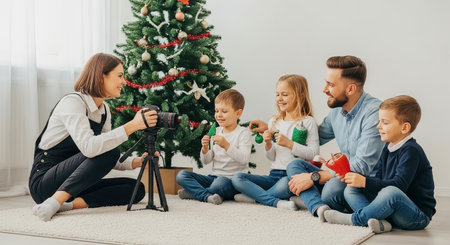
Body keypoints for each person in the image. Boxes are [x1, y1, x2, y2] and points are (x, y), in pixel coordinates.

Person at [29, 53, 158, 221]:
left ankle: (67, 204)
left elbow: (103, 152)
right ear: (100, 77)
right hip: (45, 183)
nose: (124, 82)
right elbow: (91, 148)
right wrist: (132, 126)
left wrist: (136, 162)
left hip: (74, 183)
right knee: (109, 151)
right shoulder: (73, 102)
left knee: (136, 188)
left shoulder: (104, 111)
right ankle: (54, 201)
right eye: (119, 76)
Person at [251, 56, 385, 219]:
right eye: (326, 82)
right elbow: (313, 137)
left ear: (350, 89)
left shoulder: (374, 113)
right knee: (295, 165)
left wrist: (314, 177)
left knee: (330, 191)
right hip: (341, 175)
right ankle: (310, 201)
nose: (324, 89)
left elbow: (362, 166)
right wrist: (272, 130)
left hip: (364, 181)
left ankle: (265, 196)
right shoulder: (337, 111)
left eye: (331, 84)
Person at [324, 95, 436, 233]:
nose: (378, 126)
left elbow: (399, 186)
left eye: (385, 122)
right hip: (393, 211)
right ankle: (379, 222)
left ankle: (356, 219)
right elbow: (380, 179)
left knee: (391, 192)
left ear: (405, 128)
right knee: (351, 189)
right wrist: (355, 179)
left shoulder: (411, 151)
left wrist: (365, 182)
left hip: (416, 216)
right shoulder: (387, 148)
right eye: (379, 121)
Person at [232, 74, 319, 210]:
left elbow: (314, 153)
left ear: (300, 95)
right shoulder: (274, 121)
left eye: (284, 94)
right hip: (273, 175)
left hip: (292, 177)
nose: (279, 99)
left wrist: (289, 143)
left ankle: (255, 197)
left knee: (285, 184)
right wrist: (268, 144)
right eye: (277, 94)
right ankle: (274, 200)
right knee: (237, 178)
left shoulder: (308, 122)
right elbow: (271, 157)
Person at [176, 89, 252, 205]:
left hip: (232, 181)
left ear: (238, 113)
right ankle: (207, 195)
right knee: (182, 175)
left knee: (219, 184)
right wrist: (205, 149)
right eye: (216, 111)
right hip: (213, 177)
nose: (218, 115)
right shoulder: (216, 131)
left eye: (224, 111)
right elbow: (206, 161)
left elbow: (244, 158)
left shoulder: (243, 133)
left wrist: (226, 145)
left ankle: (196, 194)